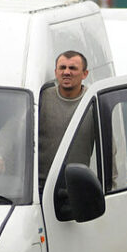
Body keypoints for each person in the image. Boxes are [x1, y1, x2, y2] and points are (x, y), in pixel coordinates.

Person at [38, 50, 90, 188]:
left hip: (76, 188)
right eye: (62, 68)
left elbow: (110, 148)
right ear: (56, 72)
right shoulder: (41, 98)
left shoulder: (92, 102)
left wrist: (111, 190)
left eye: (72, 68)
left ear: (85, 74)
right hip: (41, 187)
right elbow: (16, 127)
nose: (66, 72)